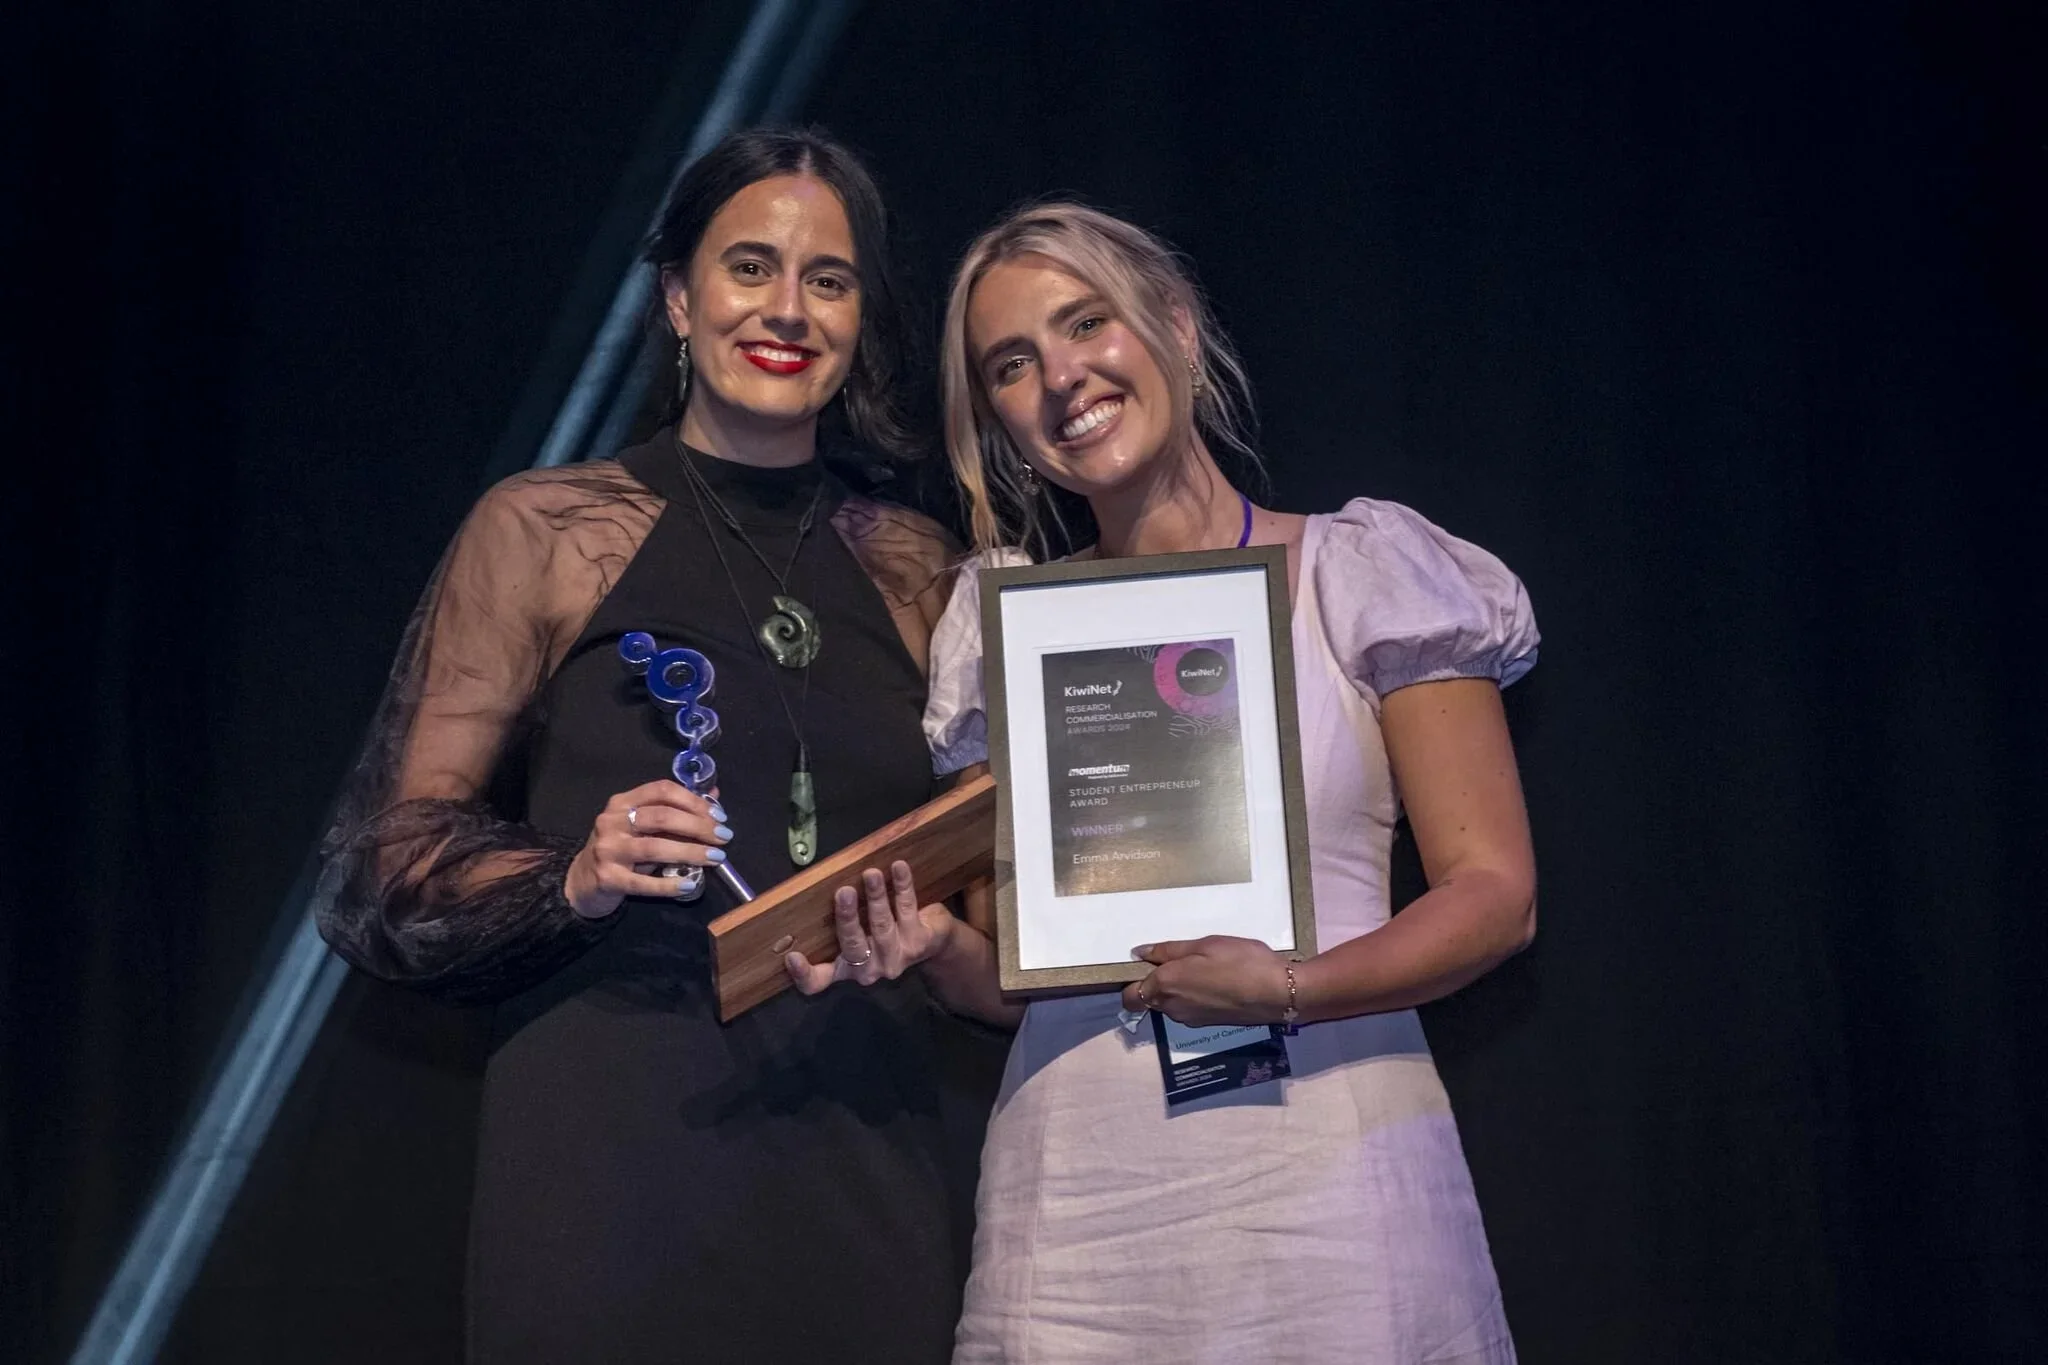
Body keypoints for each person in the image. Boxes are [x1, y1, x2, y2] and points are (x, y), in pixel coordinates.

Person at [788, 202, 1539, 1363]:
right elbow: (1014, 980)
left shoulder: (1358, 573)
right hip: (1079, 1217)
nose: (1061, 378)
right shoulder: (1001, 636)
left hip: (1330, 1181)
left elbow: (1493, 894)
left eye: (1086, 323)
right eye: (1011, 365)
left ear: (1176, 331)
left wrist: (1289, 986)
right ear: (995, 419)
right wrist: (932, 948)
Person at [317, 128, 983, 1365]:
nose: (787, 308)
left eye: (827, 280)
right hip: (613, 1152)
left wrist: (941, 941)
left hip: (861, 1153)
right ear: (678, 296)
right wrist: (571, 873)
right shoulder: (548, 528)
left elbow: (1001, 907)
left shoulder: (918, 567)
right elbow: (383, 864)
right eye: (748, 266)